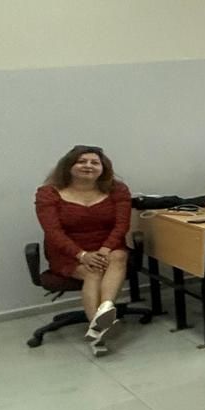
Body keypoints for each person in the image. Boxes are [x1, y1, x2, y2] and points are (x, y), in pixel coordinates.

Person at [34, 145, 132, 352]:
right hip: (68, 253)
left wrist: (105, 249)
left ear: (103, 168)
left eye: (95, 162)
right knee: (92, 272)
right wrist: (82, 255)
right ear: (69, 166)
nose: (88, 166)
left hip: (108, 247)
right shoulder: (48, 193)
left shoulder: (118, 190)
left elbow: (122, 225)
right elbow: (53, 232)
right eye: (81, 161)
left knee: (119, 257)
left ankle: (103, 314)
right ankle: (99, 329)